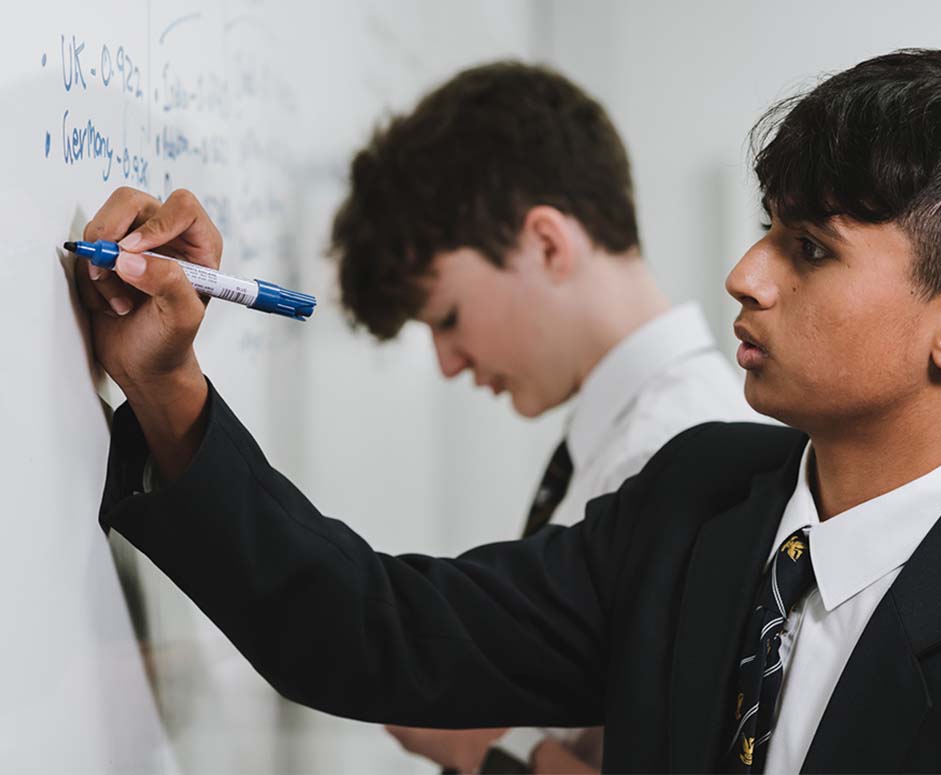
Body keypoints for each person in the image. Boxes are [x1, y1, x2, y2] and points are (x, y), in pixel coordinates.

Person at [80, 49, 941, 773]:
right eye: (767, 228)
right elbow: (375, 631)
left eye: (810, 248)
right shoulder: (694, 503)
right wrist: (169, 385)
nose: (744, 273)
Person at [107, 61, 758, 774]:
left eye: (448, 318)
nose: (448, 363)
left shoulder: (681, 455)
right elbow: (393, 630)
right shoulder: (643, 440)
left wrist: (491, 749)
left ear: (547, 243)